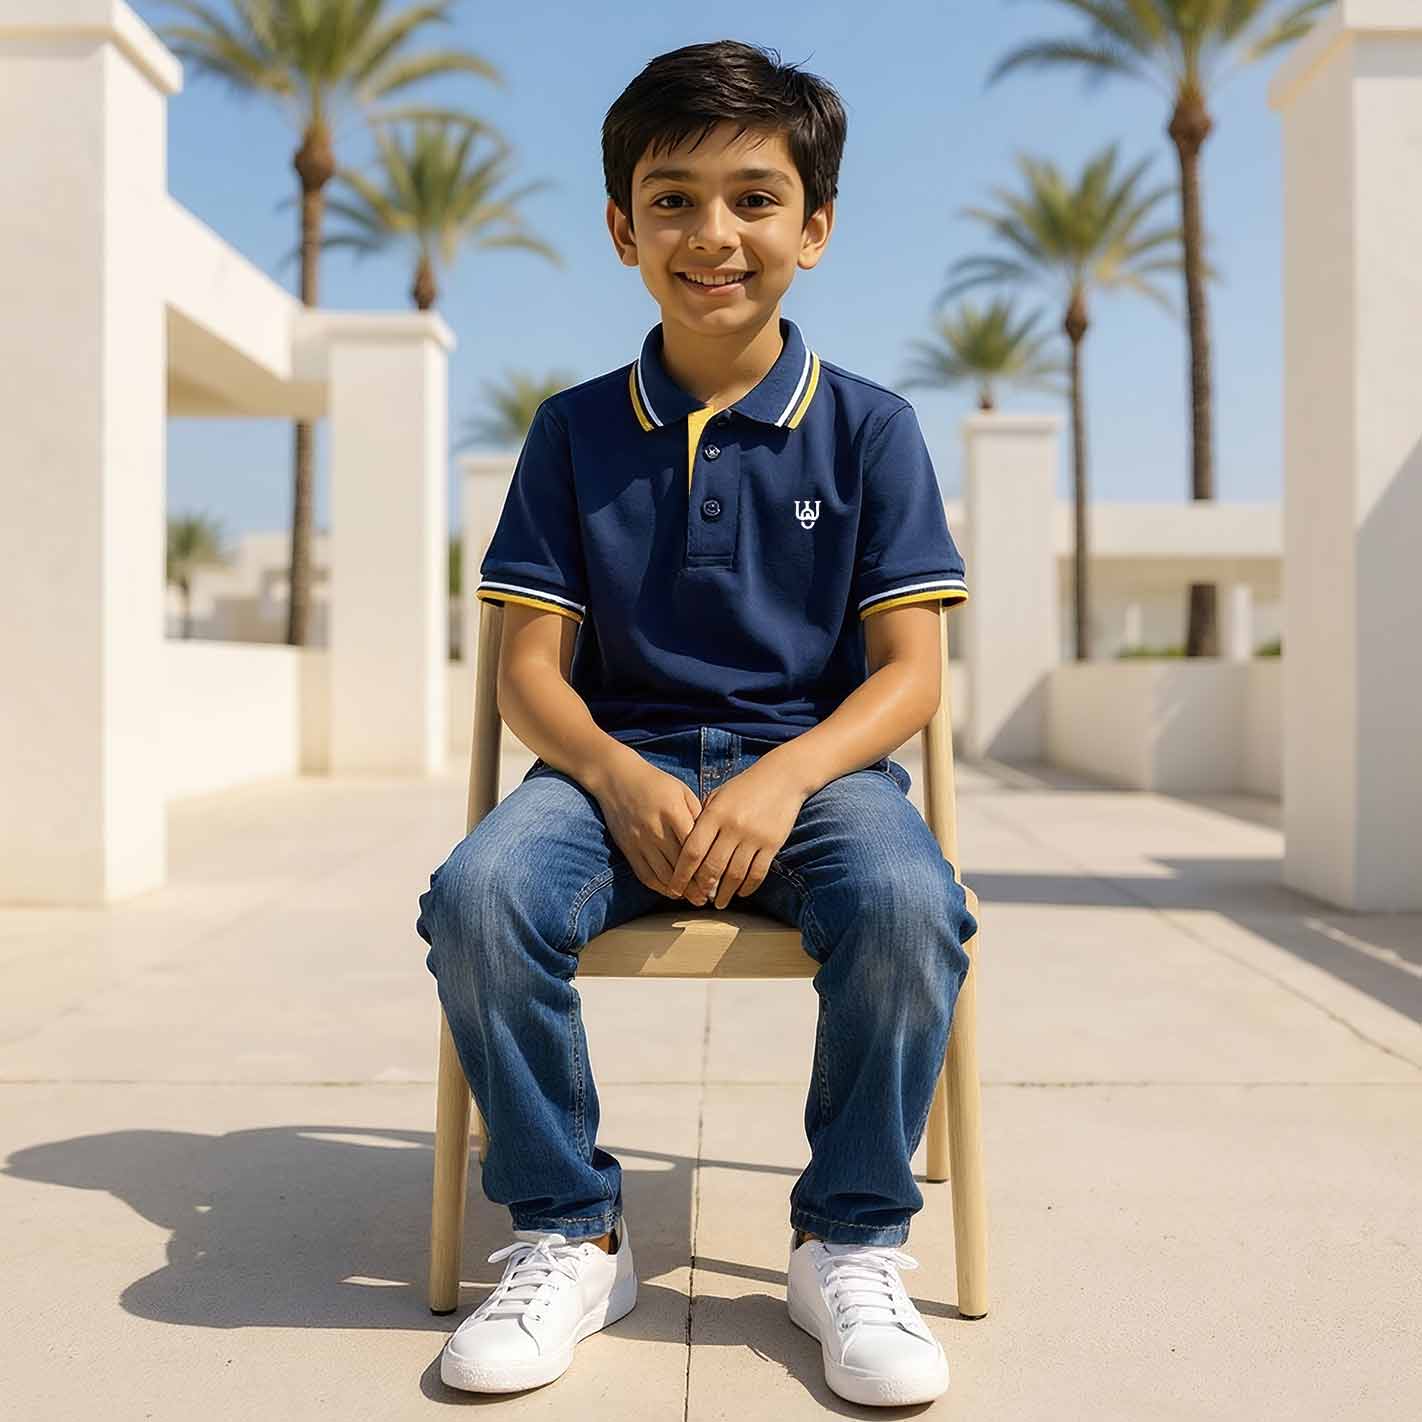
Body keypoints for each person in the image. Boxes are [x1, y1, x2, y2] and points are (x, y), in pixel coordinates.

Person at [415, 37, 977, 1407]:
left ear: (816, 226)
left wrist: (783, 778)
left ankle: (847, 1239)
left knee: (912, 904)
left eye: (752, 197)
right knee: (479, 893)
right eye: (670, 200)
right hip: (616, 767)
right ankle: (568, 1227)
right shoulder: (569, 432)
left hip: (816, 769)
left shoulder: (870, 429)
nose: (710, 234)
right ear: (621, 228)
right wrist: (610, 775)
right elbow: (528, 675)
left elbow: (908, 674)